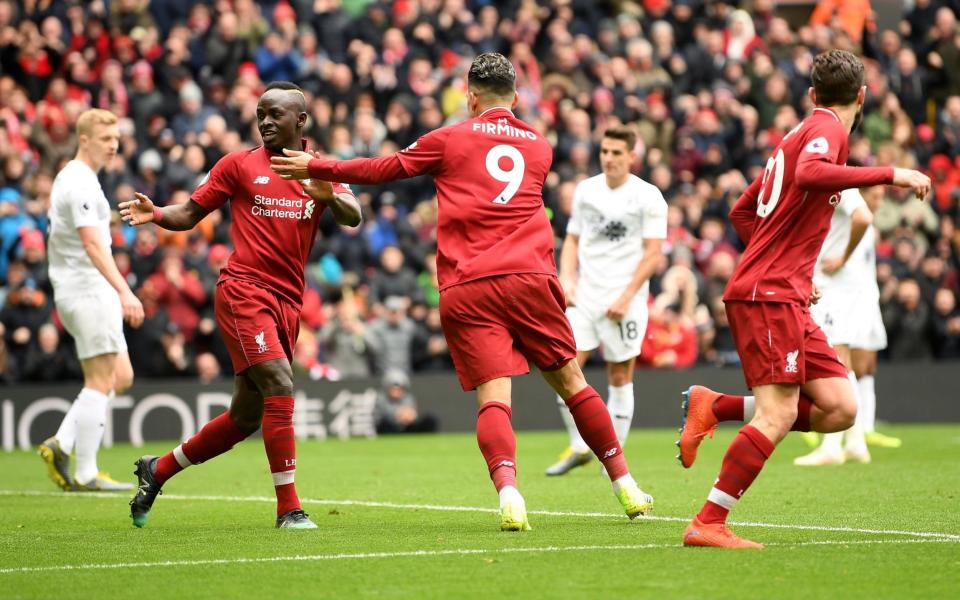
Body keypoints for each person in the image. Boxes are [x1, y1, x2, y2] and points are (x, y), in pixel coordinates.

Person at [271, 52, 654, 531]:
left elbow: (384, 168)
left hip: (469, 283)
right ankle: (625, 485)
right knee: (574, 383)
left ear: (470, 96)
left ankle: (510, 493)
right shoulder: (540, 145)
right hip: (531, 277)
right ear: (515, 98)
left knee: (495, 398)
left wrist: (319, 166)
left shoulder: (449, 138)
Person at [674, 50, 930, 548]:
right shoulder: (828, 130)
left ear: (812, 93)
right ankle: (707, 522)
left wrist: (783, 265)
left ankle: (715, 405)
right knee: (780, 415)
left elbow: (742, 210)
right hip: (768, 295)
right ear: (862, 96)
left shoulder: (793, 135)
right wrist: (888, 173)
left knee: (840, 407)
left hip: (780, 291)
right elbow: (813, 175)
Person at [120, 81, 361, 529]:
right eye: (261, 114)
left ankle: (160, 468)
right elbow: (190, 213)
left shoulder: (320, 169)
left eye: (276, 114)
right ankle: (289, 508)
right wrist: (155, 214)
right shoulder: (239, 165)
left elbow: (353, 216)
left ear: (301, 121)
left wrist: (328, 194)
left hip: (288, 300)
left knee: (245, 415)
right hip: (243, 290)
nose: (266, 122)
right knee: (280, 382)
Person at [544, 125, 666, 476]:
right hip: (585, 296)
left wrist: (627, 296)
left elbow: (653, 254)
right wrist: (567, 279)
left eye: (616, 153)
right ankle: (581, 445)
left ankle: (613, 454)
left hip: (624, 299)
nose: (609, 158)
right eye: (604, 152)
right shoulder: (586, 190)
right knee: (562, 368)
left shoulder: (648, 196)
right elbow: (571, 241)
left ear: (632, 157)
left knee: (618, 375)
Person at [38, 108, 144, 492]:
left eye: (116, 138)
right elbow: (91, 244)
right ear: (84, 140)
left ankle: (62, 443)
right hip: (87, 289)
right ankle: (84, 470)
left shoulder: (80, 178)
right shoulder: (79, 182)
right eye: (105, 138)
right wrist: (124, 290)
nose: (113, 145)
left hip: (82, 289)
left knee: (122, 376)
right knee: (100, 380)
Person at [795, 186, 879, 465]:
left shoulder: (842, 187)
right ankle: (854, 443)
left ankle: (834, 445)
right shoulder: (829, 188)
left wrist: (842, 257)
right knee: (841, 358)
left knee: (837, 358)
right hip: (838, 287)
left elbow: (863, 217)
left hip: (835, 287)